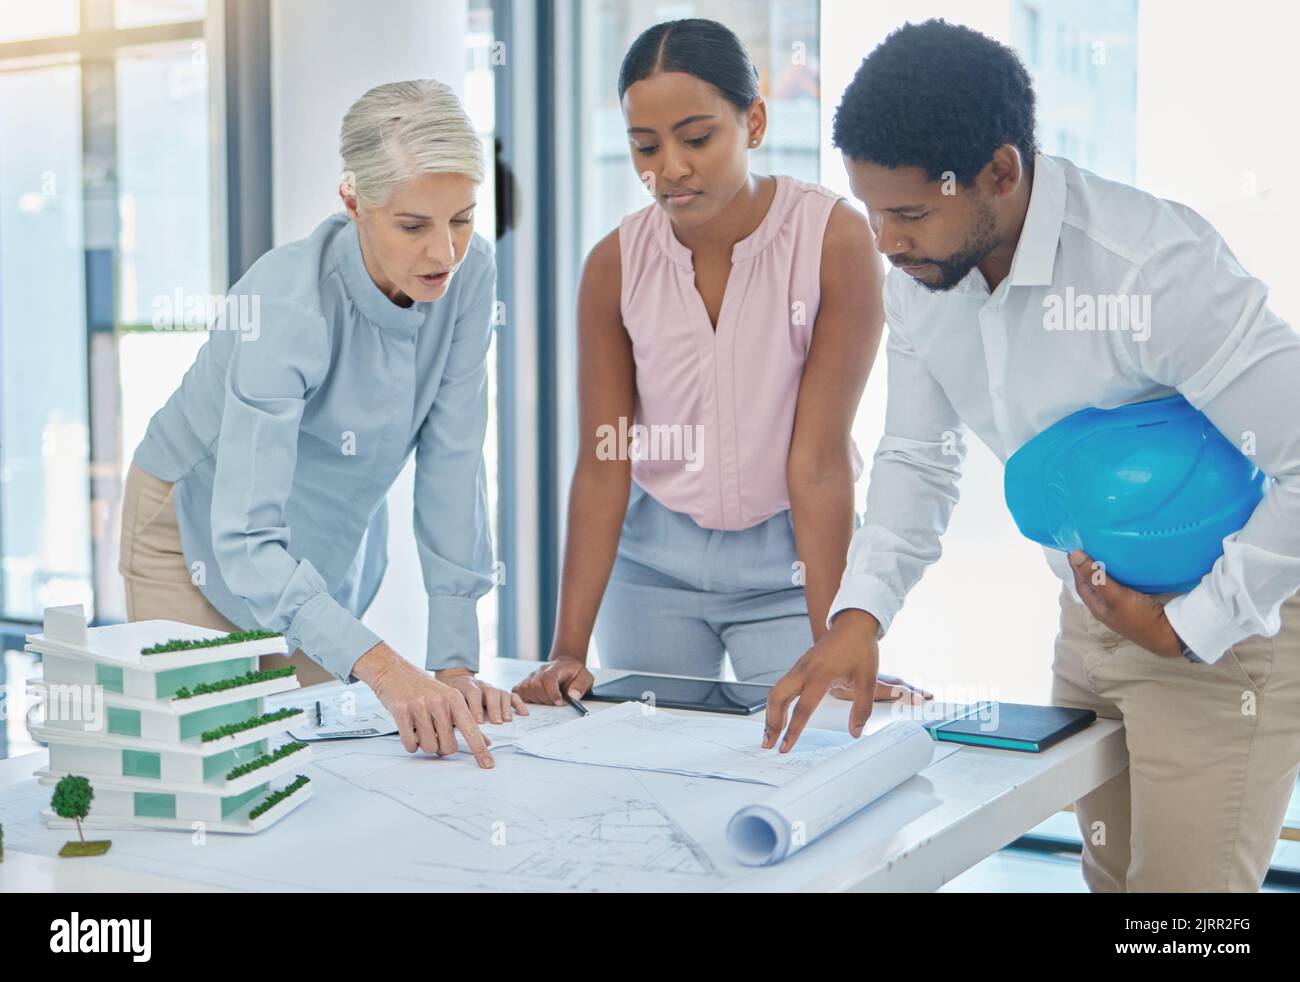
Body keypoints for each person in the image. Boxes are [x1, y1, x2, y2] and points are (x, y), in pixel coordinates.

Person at [766, 19, 1300, 892]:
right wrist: (858, 618)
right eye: (871, 210)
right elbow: (917, 456)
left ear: (1001, 173)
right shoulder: (923, 284)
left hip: (1227, 636)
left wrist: (1191, 624)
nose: (886, 242)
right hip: (1089, 618)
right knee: (1111, 887)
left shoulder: (1152, 268)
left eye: (908, 213)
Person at [514, 18, 929, 710]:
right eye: (645, 146)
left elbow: (818, 460)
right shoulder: (613, 266)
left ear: (755, 121)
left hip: (793, 565)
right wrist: (566, 651)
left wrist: (838, 640)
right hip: (651, 571)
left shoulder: (834, 240)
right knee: (654, 783)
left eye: (697, 138)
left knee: (806, 757)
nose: (669, 168)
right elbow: (604, 461)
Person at [120, 79, 525, 768]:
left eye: (461, 218)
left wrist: (453, 662)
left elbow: (455, 462)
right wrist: (387, 666)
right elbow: (245, 537)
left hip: (323, 543)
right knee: (222, 767)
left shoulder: (471, 276)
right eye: (412, 225)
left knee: (316, 771)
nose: (444, 255)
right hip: (191, 532)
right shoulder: (285, 304)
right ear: (352, 200)